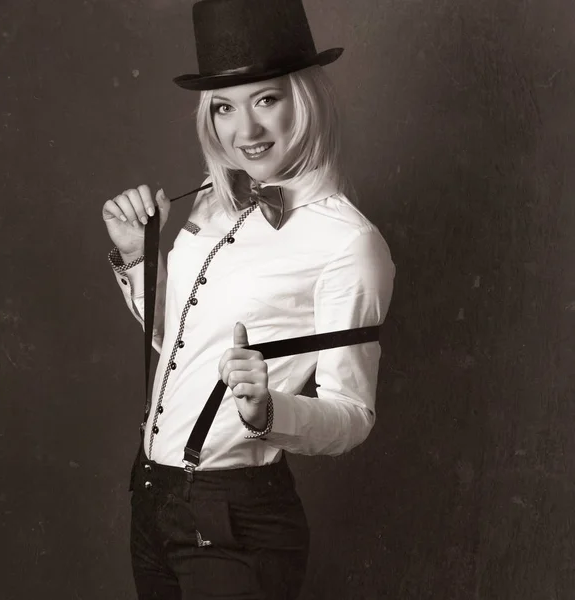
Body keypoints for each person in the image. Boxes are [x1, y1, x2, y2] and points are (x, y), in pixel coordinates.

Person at [102, 0, 395, 598]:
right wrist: (139, 257)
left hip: (235, 519)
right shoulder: (212, 204)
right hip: (153, 500)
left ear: (304, 98)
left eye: (267, 99)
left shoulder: (348, 241)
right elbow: (177, 343)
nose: (246, 130)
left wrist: (269, 412)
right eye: (224, 108)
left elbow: (353, 417)